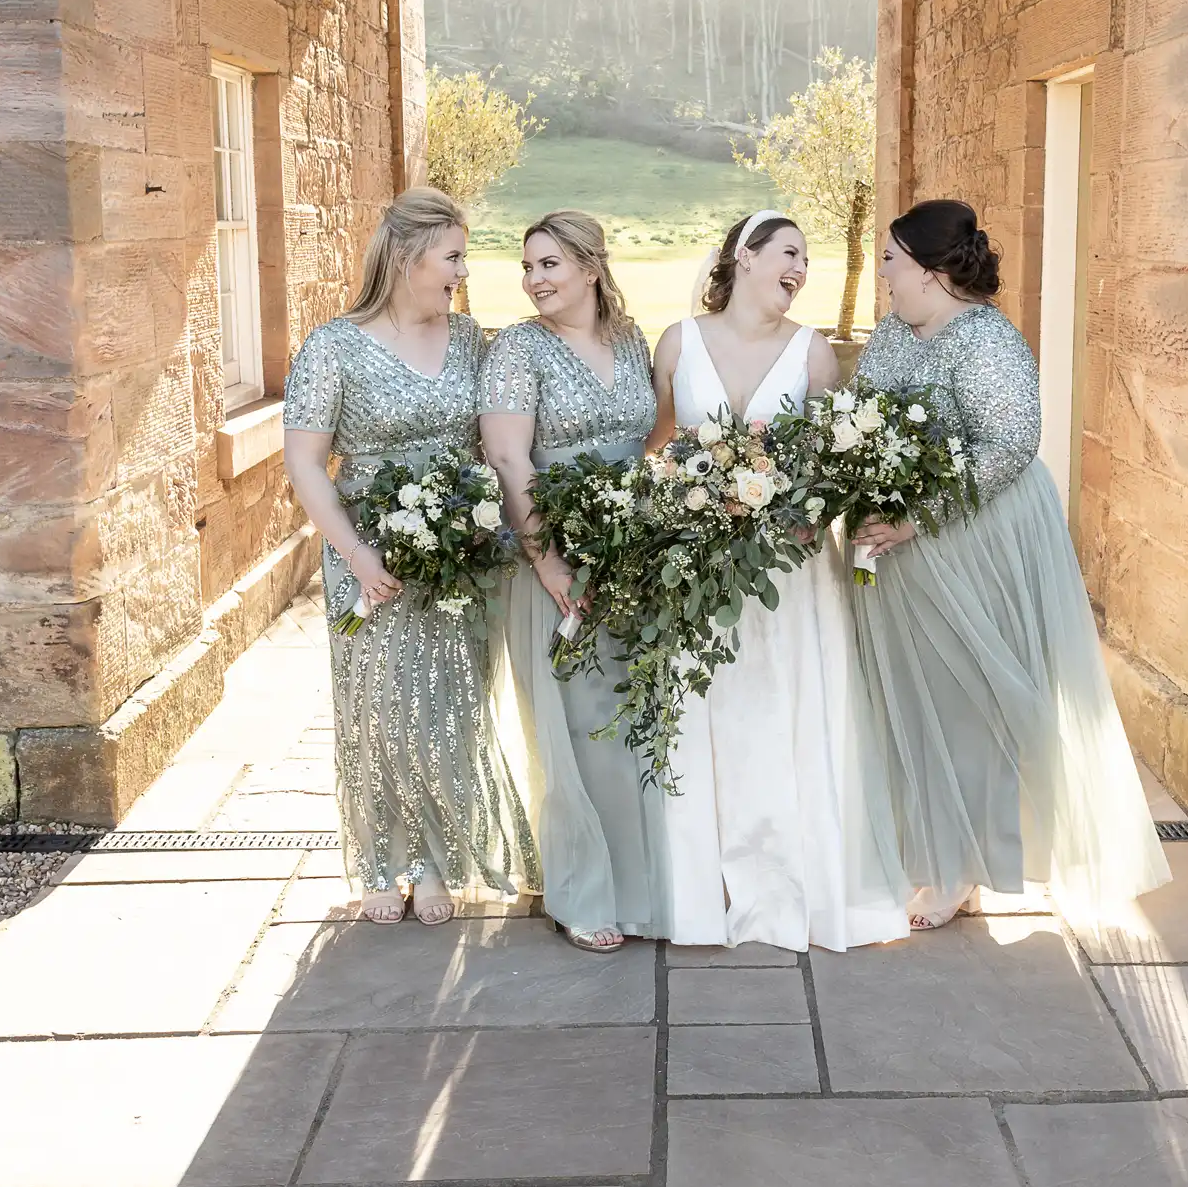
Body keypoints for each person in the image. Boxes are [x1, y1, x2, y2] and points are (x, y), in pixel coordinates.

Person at [850, 198, 1171, 929]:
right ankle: (929, 848)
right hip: (899, 546)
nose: (886, 277)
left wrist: (915, 516)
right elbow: (860, 416)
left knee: (974, 696)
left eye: (893, 262)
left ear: (932, 272)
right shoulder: (893, 334)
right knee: (916, 691)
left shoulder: (988, 341)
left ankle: (965, 863)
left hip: (975, 534)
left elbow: (1008, 445)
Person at [647, 210, 912, 952]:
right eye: (790, 252)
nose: (800, 269)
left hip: (788, 572)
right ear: (744, 256)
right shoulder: (678, 343)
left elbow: (828, 462)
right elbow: (659, 444)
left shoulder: (814, 354)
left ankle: (792, 882)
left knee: (780, 712)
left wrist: (804, 508)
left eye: (806, 260)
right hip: (698, 562)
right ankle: (708, 887)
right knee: (709, 713)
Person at [281, 187, 537, 926]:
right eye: (453, 254)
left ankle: (435, 858)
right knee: (382, 710)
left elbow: (497, 437)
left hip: (463, 557)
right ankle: (378, 858)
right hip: (370, 556)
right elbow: (305, 464)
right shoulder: (333, 345)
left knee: (450, 708)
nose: (463, 269)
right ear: (406, 255)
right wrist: (357, 552)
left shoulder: (471, 339)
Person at [480, 211, 667, 954]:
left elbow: (650, 434)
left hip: (632, 554)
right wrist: (548, 558)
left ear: (592, 267)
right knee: (574, 730)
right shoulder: (516, 350)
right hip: (553, 561)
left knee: (633, 721)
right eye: (529, 267)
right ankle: (581, 890)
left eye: (550, 264)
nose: (536, 280)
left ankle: (644, 888)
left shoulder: (630, 338)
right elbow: (508, 459)